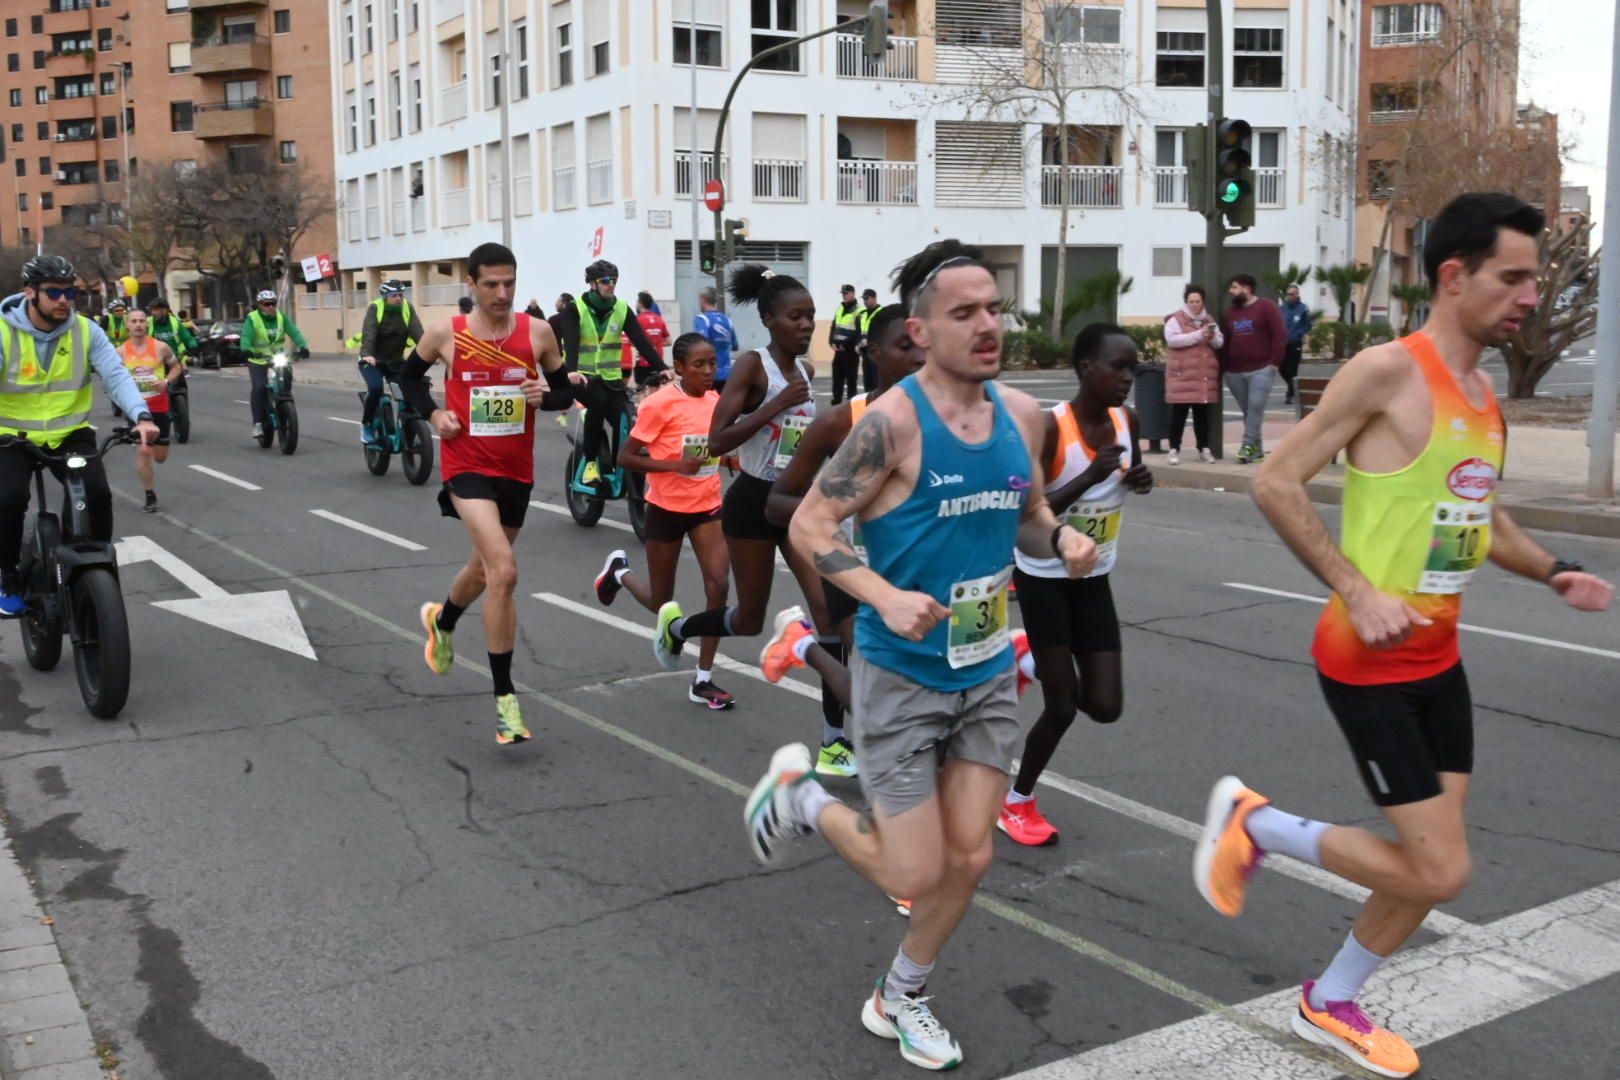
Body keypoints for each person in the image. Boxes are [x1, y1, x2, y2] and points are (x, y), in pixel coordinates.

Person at [1193, 193, 1613, 1079]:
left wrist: (1552, 570)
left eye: (1535, 277)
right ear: (1454, 276)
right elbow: (1275, 480)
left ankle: (1332, 999)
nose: (1532, 295)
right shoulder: (1388, 372)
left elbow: (1479, 516)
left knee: (1427, 865)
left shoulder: (1482, 392)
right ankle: (1256, 824)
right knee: (1441, 870)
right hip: (1368, 658)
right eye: (1514, 277)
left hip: (1439, 661)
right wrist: (1354, 585)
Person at [742, 240, 1098, 1072]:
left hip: (981, 673)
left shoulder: (1023, 416)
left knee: (970, 857)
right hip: (901, 677)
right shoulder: (890, 425)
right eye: (963, 313)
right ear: (923, 329)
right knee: (913, 864)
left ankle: (901, 994)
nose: (986, 325)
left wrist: (1062, 536)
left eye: (994, 308)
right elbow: (808, 526)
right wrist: (885, 596)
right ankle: (800, 799)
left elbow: (1028, 511)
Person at [400, 242, 576, 746]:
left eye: (510, 283)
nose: (502, 293)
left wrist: (548, 396)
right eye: (492, 284)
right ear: (472, 286)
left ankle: (442, 618)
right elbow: (409, 379)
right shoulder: (446, 333)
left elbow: (564, 391)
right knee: (503, 570)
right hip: (466, 467)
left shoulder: (538, 332)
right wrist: (434, 415)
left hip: (515, 472)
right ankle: (506, 702)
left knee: (481, 571)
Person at [1000, 323, 1153, 847]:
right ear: (1087, 368)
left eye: (1133, 367)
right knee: (1061, 706)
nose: (1128, 378)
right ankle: (1016, 801)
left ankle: (1030, 661)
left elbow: (1132, 473)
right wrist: (1089, 478)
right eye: (1119, 367)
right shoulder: (1050, 428)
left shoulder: (1127, 420)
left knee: (1106, 706)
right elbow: (1028, 511)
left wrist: (1140, 477)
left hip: (1094, 577)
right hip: (1043, 576)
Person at [758, 303, 922, 776]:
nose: (919, 357)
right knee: (884, 700)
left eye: (924, 344)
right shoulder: (838, 422)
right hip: (849, 568)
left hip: (913, 573)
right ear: (873, 352)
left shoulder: (945, 421)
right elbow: (778, 502)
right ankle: (805, 650)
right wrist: (839, 505)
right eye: (904, 345)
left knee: (917, 692)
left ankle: (804, 649)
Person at [649, 267, 829, 694]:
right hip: (754, 502)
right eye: (795, 317)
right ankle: (679, 629)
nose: (805, 325)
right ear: (769, 319)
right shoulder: (753, 367)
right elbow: (715, 441)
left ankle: (836, 739)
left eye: (811, 316)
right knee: (748, 620)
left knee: (827, 611)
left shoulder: (806, 370)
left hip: (796, 502)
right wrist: (775, 405)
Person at [0, 255, 158, 616]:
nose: (63, 299)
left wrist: (141, 415)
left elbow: (117, 376)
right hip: (10, 437)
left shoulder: (87, 331)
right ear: (30, 293)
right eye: (53, 292)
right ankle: (6, 573)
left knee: (98, 494)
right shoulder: (2, 331)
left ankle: (88, 567)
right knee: (7, 500)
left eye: (69, 291)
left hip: (69, 433)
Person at [594, 333, 734, 710]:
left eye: (712, 364)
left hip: (707, 505)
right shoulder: (659, 404)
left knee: (719, 585)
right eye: (699, 365)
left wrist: (727, 459)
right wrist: (675, 465)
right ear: (680, 368)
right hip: (666, 508)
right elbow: (627, 458)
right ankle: (619, 573)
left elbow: (713, 448)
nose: (708, 372)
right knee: (661, 601)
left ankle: (703, 679)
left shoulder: (715, 401)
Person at [555, 260, 664, 485]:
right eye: (605, 281)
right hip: (582, 378)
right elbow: (572, 343)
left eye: (614, 280)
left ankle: (617, 464)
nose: (611, 285)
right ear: (593, 284)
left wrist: (664, 369)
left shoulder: (622, 309)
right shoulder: (576, 309)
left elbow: (642, 343)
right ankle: (591, 463)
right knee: (597, 402)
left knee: (625, 418)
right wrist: (572, 371)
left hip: (611, 379)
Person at [118, 310, 184, 513]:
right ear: (127, 325)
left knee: (160, 456)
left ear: (147, 325)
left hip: (159, 404)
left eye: (141, 321)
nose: (138, 325)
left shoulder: (161, 347)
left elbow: (176, 367)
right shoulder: (119, 352)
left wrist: (165, 381)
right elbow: (113, 378)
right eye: (134, 321)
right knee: (144, 450)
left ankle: (156, 447)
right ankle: (149, 494)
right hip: (136, 408)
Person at [1220, 273, 1286, 464]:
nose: (1230, 292)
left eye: (1234, 287)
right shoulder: (1230, 313)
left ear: (1246, 288)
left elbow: (1279, 334)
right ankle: (1257, 451)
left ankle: (1247, 445)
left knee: (1256, 406)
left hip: (1261, 369)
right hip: (1235, 371)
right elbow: (1225, 340)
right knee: (1249, 411)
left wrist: (1274, 363)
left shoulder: (1266, 307)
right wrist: (1225, 367)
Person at [357, 279, 426, 445]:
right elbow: (369, 332)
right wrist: (367, 353)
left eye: (401, 295)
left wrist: (429, 351)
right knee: (375, 388)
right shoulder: (375, 308)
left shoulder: (407, 308)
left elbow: (419, 333)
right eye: (394, 295)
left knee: (411, 387)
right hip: (373, 361)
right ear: (385, 296)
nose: (398, 298)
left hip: (395, 361)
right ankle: (366, 425)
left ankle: (410, 426)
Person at [1163, 284, 1223, 465]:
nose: (1195, 304)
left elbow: (1219, 343)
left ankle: (1204, 449)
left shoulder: (1209, 320)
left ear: (1202, 301)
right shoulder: (1176, 319)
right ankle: (1173, 449)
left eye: (1197, 301)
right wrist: (1199, 335)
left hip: (1202, 378)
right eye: (1191, 301)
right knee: (1178, 414)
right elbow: (1172, 340)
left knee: (1201, 415)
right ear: (1186, 302)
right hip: (1182, 376)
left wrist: (1211, 336)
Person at [240, 289, 310, 440]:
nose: (271, 307)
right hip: (257, 359)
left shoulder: (280, 317)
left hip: (277, 357)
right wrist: (246, 350)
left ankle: (284, 406)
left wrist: (303, 346)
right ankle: (258, 423)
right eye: (267, 304)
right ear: (260, 305)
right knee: (259, 388)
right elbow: (246, 335)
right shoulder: (253, 319)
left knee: (286, 380)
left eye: (273, 303)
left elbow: (294, 332)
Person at [692, 287, 739, 392]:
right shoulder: (727, 320)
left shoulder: (702, 319)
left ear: (703, 299)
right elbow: (735, 346)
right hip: (727, 374)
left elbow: (700, 344)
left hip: (708, 374)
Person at [621, 290, 669, 384]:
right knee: (654, 391)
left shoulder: (637, 320)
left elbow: (630, 342)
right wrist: (656, 344)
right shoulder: (659, 319)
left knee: (642, 392)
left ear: (640, 304)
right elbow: (669, 341)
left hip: (642, 362)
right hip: (657, 361)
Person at [829, 283, 862, 405]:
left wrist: (846, 344)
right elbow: (833, 326)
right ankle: (836, 401)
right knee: (837, 378)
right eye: (842, 293)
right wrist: (831, 342)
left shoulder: (859, 310)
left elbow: (859, 331)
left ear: (853, 294)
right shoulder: (840, 308)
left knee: (851, 379)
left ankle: (851, 403)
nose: (844, 296)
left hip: (850, 352)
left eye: (846, 293)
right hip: (838, 351)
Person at [1281, 283, 1313, 405]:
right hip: (1283, 343)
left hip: (1295, 343)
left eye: (1292, 294)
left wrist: (1301, 333)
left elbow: (1308, 324)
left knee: (1292, 370)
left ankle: (1290, 394)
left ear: (1297, 295)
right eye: (1288, 294)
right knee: (1282, 369)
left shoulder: (1303, 308)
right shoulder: (1282, 308)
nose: (1289, 296)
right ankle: (1294, 388)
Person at [147, 297, 199, 365]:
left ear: (165, 310)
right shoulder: (148, 322)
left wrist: (193, 347)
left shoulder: (175, 322)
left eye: (156, 310)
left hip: (175, 361)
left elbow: (187, 338)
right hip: (156, 363)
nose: (153, 313)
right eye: (152, 310)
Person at [858, 288, 882, 392]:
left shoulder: (880, 312)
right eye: (864, 299)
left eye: (867, 299)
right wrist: (857, 343)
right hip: (865, 351)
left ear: (874, 298)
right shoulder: (863, 314)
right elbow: (860, 331)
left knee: (876, 380)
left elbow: (882, 332)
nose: (865, 302)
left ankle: (878, 402)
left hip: (875, 351)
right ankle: (869, 403)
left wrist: (870, 340)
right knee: (867, 381)